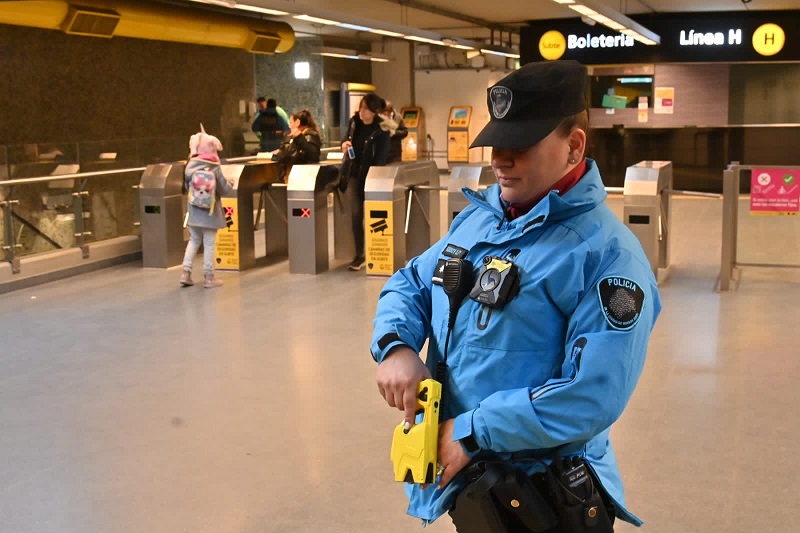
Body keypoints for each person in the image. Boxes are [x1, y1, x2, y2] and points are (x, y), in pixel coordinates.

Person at [370, 60, 662, 532]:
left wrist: (473, 431)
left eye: (520, 146)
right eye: (496, 144)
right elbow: (412, 283)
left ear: (574, 146)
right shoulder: (480, 220)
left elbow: (591, 394)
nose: (500, 160)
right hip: (478, 487)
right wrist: (396, 345)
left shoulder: (607, 257)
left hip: (545, 497)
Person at [340, 93, 390, 271]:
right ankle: (359, 254)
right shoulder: (354, 123)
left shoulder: (382, 129)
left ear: (374, 111)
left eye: (366, 109)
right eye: (361, 107)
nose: (362, 112)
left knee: (375, 215)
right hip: (354, 175)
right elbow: (345, 139)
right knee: (356, 214)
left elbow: (381, 157)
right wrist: (344, 144)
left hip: (372, 177)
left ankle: (378, 252)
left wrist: (375, 177)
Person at [179, 126, 232, 289]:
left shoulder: (189, 166)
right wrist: (230, 184)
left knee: (194, 240)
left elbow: (187, 188)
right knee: (209, 243)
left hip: (194, 210)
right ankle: (209, 277)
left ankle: (185, 273)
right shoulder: (213, 166)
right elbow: (224, 189)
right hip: (210, 211)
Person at [271, 109, 322, 176]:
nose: (290, 126)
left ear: (297, 122)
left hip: (303, 174)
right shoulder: (296, 137)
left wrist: (298, 136)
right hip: (294, 173)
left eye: (291, 123)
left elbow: (312, 155)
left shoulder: (309, 136)